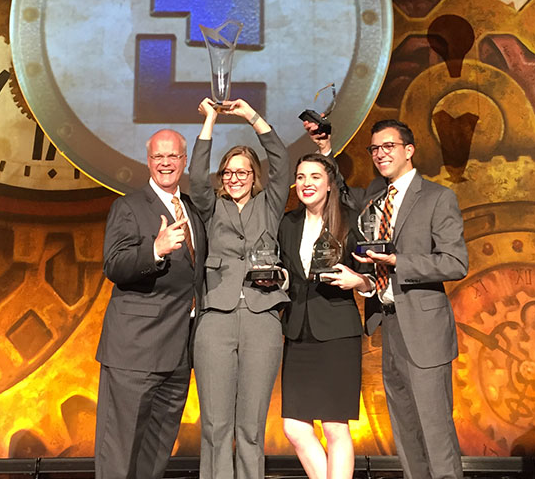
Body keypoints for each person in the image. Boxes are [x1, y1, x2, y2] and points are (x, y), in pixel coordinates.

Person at [306, 118, 468, 479]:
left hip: (424, 328)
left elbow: (456, 262)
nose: (380, 155)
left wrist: (399, 262)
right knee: (405, 429)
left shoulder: (437, 198)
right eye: (375, 149)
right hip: (388, 323)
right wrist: (325, 152)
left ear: (409, 151)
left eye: (388, 147)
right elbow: (343, 197)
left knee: (435, 429)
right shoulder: (374, 195)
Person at [189, 97, 291, 479]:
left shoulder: (270, 203)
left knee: (251, 427)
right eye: (228, 173)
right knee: (216, 425)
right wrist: (210, 122)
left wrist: (251, 116)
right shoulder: (211, 207)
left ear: (254, 176)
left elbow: (280, 162)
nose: (234, 179)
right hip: (216, 317)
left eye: (243, 172)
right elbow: (197, 176)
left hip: (263, 318)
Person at [95, 128, 206, 479]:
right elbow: (114, 265)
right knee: (120, 452)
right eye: (158, 156)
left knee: (155, 454)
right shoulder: (128, 206)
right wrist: (155, 250)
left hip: (177, 355)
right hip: (135, 352)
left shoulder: (191, 208)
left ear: (184, 161)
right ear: (148, 161)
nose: (165, 163)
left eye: (172, 156)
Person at [278, 153, 372, 479]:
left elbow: (373, 275)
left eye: (315, 177)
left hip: (336, 333)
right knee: (294, 427)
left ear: (330, 183)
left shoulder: (350, 220)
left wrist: (357, 281)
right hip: (297, 332)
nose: (307, 184)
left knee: (334, 426)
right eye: (301, 177)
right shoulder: (288, 223)